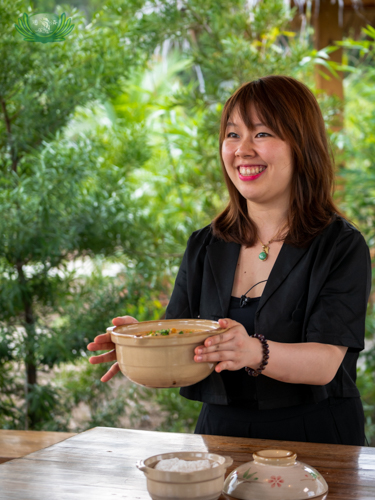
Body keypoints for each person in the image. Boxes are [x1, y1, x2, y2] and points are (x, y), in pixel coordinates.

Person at [87, 75, 371, 445]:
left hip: (316, 438)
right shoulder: (205, 245)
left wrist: (252, 350)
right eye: (233, 134)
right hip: (220, 435)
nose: (242, 149)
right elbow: (186, 343)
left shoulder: (340, 245)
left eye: (262, 134)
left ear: (302, 146)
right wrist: (140, 342)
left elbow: (325, 363)